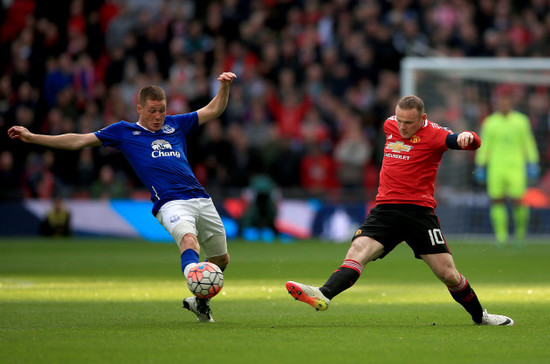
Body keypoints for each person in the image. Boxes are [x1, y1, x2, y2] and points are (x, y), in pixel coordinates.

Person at [8, 71, 238, 323]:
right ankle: (193, 278)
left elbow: (212, 110)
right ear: (138, 108)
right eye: (152, 111)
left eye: (161, 110)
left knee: (220, 259)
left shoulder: (176, 124)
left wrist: (224, 87)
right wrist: (32, 137)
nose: (158, 116)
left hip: (201, 198)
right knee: (189, 241)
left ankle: (200, 303)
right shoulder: (124, 132)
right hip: (170, 202)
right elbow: (78, 141)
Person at [286, 95, 514, 326]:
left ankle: (480, 316)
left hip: (418, 213)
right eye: (400, 120)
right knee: (358, 250)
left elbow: (472, 141)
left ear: (423, 118)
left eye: (409, 123)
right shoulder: (389, 125)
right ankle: (323, 294)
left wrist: (469, 137)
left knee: (448, 274)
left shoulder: (435, 134)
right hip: (386, 210)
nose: (402, 127)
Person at [474, 88, 539, 247]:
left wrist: (533, 161)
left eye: (506, 101)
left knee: (519, 201)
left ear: (511, 103)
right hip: (496, 167)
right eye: (500, 102)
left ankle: (520, 235)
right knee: (497, 200)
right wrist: (480, 164)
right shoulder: (490, 122)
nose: (503, 104)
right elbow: (485, 144)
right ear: (497, 104)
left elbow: (528, 142)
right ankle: (501, 237)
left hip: (516, 166)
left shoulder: (521, 121)